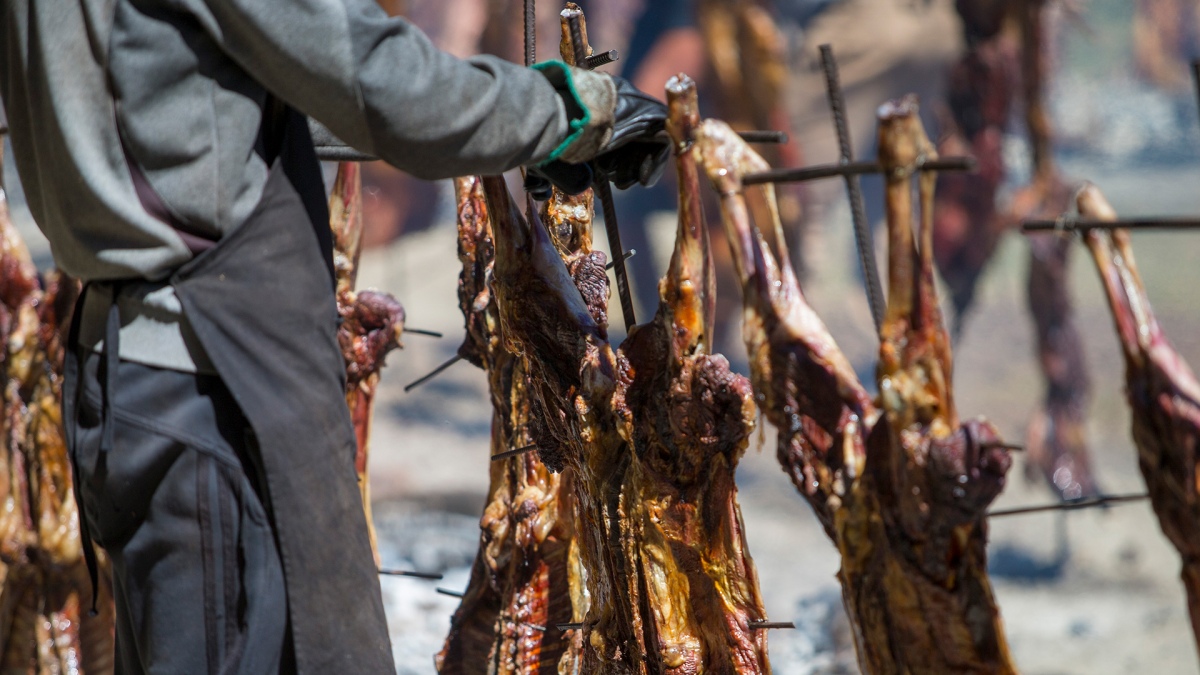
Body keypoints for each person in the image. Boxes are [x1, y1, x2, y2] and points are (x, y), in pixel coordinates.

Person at [0, 1, 667, 673]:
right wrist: (570, 112)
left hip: (129, 377)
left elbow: (190, 96)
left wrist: (509, 123)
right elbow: (372, 76)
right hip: (222, 389)